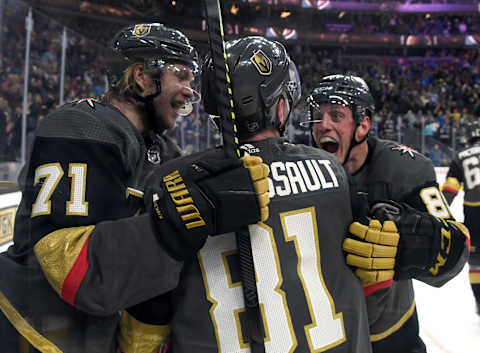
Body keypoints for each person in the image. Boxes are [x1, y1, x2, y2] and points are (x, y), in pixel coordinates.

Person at [0, 23, 269, 353]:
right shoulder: (81, 126)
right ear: (143, 77)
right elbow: (71, 270)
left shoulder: (164, 151)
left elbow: (149, 276)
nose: (190, 91)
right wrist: (179, 222)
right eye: (181, 75)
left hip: (98, 334)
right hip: (35, 331)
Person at [117, 36, 379, 353]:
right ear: (280, 105)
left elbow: (146, 315)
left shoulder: (169, 179)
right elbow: (373, 277)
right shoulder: (333, 172)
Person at [303, 74, 469, 353]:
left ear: (363, 125)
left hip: (393, 336)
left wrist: (406, 239)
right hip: (326, 334)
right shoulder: (303, 169)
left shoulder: (404, 168)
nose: (323, 125)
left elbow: (457, 246)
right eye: (317, 116)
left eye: (335, 115)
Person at [442, 120, 480, 314]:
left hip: (474, 215)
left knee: (475, 262)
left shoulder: (460, 157)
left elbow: (450, 189)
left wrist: (439, 214)